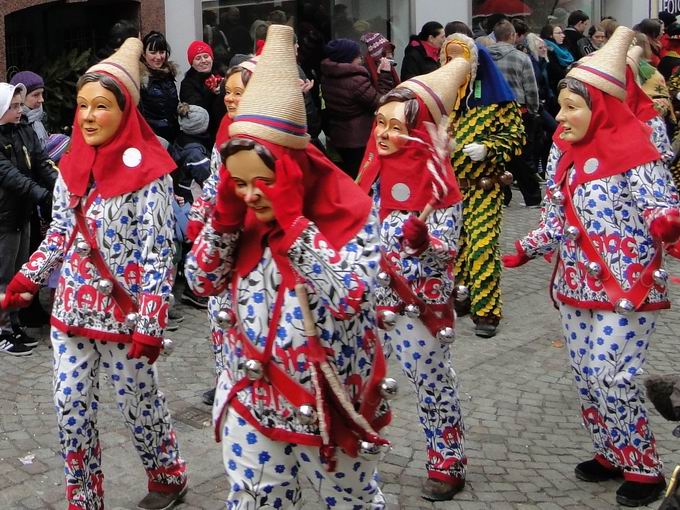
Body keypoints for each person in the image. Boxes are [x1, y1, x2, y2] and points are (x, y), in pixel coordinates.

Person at [185, 24, 392, 508]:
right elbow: (201, 281)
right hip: (252, 397)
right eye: (241, 181)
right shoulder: (239, 211)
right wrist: (224, 219)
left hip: (332, 403)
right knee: (255, 498)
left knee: (350, 500)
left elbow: (352, 299)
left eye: (263, 180)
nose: (252, 192)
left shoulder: (352, 210)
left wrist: (294, 226)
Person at [0, 38, 189, 509]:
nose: (86, 116)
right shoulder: (71, 166)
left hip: (125, 320)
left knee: (138, 405)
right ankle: (84, 497)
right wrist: (27, 278)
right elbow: (61, 230)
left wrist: (149, 323)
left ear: (124, 111)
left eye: (100, 106)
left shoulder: (152, 176)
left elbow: (158, 253)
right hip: (71, 312)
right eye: (82, 105)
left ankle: (167, 476)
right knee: (71, 410)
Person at [503, 26, 678, 508]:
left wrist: (667, 223)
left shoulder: (640, 155)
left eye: (571, 107)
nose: (560, 117)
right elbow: (556, 220)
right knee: (584, 374)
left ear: (600, 107)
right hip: (575, 285)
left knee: (612, 374)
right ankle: (609, 452)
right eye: (560, 106)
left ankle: (643, 467)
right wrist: (527, 247)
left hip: (628, 286)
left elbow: (663, 209)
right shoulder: (564, 153)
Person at [358, 53, 470, 500]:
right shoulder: (368, 173)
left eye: (396, 126)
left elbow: (445, 255)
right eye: (380, 123)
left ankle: (448, 460)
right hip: (370, 301)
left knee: (431, 380)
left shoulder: (440, 184)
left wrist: (425, 244)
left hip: (417, 305)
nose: (384, 134)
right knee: (363, 383)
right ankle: (360, 458)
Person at [441, 33, 523, 339]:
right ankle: (461, 296)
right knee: (453, 247)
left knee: (482, 246)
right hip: (448, 188)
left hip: (483, 186)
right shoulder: (444, 97)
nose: (454, 66)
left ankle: (487, 312)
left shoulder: (498, 99)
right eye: (448, 59)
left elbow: (516, 137)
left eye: (459, 59)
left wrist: (488, 147)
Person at [185, 59, 257, 407]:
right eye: (227, 92)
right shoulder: (226, 127)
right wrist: (200, 213)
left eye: (238, 93)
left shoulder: (267, 137)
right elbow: (215, 180)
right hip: (221, 238)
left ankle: (253, 380)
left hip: (251, 243)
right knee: (218, 312)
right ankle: (226, 376)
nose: (229, 99)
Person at [0, 82, 57, 356]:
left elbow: (42, 161)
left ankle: (14, 323)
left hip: (22, 214)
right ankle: (2, 330)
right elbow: (11, 176)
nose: (18, 110)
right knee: (3, 276)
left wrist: (61, 187)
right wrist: (42, 195)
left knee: (18, 273)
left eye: (18, 105)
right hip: (4, 216)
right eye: (12, 106)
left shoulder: (23, 130)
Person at [320, 38, 393, 178]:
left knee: (350, 175)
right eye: (358, 56)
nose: (361, 59)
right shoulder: (355, 80)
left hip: (339, 135)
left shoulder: (328, 76)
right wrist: (384, 75)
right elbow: (381, 102)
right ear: (349, 58)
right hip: (359, 138)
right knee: (364, 177)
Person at [488, 20, 542, 207]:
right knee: (522, 156)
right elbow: (530, 88)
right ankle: (532, 198)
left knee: (496, 155)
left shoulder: (484, 57)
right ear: (512, 36)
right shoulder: (521, 58)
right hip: (518, 110)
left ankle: (502, 195)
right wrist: (534, 110)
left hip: (491, 112)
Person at [179, 40, 226, 140]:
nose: (203, 61)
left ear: (212, 58)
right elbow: (197, 110)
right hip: (203, 136)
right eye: (198, 58)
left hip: (223, 130)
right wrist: (212, 93)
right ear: (192, 63)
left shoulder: (222, 77)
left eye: (206, 56)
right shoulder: (187, 84)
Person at [139, 31, 180, 144]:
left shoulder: (168, 75)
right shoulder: (140, 80)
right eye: (153, 52)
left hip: (173, 136)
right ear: (144, 53)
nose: (158, 57)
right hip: (152, 139)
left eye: (162, 52)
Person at [540, 24, 574, 102]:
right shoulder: (547, 50)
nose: (563, 35)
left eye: (562, 33)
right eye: (559, 33)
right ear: (550, 35)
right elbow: (555, 71)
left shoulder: (562, 48)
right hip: (554, 91)